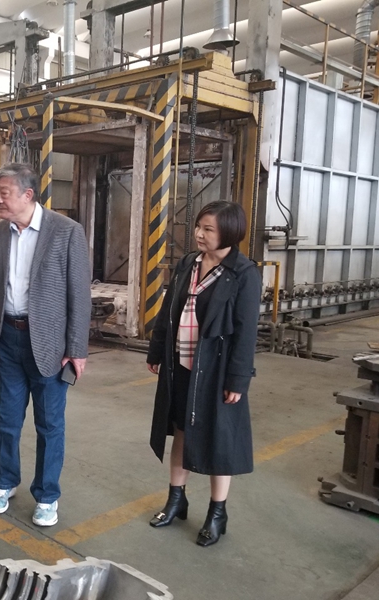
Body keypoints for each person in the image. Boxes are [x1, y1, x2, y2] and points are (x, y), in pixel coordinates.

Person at [0, 162, 91, 527]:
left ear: (28, 195)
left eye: (4, 194)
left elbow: (79, 294)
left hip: (49, 344)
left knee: (49, 423)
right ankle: (4, 481)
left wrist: (76, 349)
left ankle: (46, 495)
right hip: (8, 339)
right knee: (6, 418)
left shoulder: (66, 231)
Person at [146, 200, 261, 547]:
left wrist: (238, 380)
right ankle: (176, 499)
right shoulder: (188, 264)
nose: (199, 233)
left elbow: (246, 331)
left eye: (208, 229)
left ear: (229, 232)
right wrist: (156, 351)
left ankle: (217, 513)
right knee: (181, 430)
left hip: (217, 372)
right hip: (182, 365)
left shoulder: (243, 273)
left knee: (218, 439)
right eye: (199, 226)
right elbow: (169, 311)